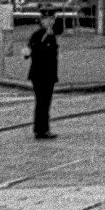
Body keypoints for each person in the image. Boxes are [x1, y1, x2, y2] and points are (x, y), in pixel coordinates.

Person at [24, 8, 60, 140]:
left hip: (48, 75)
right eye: (47, 19)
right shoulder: (40, 35)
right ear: (42, 21)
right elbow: (31, 52)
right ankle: (41, 130)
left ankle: (42, 129)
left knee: (45, 103)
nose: (50, 22)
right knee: (42, 103)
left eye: (52, 19)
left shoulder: (50, 34)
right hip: (40, 74)